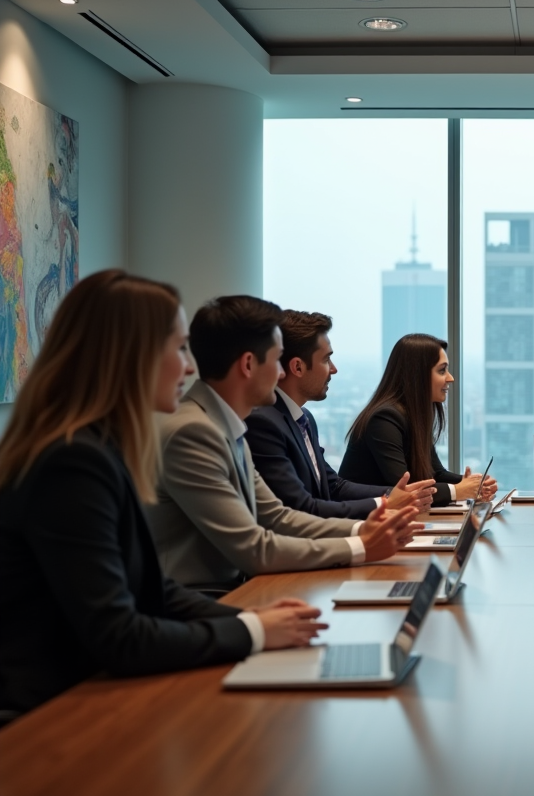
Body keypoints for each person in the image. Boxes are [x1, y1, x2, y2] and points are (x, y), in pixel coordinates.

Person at [0, 271, 327, 716]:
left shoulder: (98, 448)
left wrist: (254, 622)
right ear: (129, 357)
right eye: (177, 348)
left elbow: (153, 588)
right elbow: (121, 636)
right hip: (50, 719)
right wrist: (254, 632)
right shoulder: (71, 463)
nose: (190, 366)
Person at [147, 296, 418, 590]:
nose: (281, 373)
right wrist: (361, 546)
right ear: (249, 364)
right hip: (203, 602)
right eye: (277, 360)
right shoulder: (194, 432)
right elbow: (254, 548)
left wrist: (364, 529)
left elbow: (277, 517)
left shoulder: (225, 425)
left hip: (235, 591)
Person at [244, 310, 436, 519]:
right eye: (326, 360)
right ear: (298, 367)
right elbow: (301, 508)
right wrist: (385, 503)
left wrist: (395, 495)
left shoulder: (304, 417)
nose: (333, 370)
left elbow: (333, 486)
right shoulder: (264, 422)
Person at [340, 333, 496, 506]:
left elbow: (436, 473)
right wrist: (458, 490)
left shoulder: (414, 416)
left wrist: (474, 484)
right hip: (362, 522)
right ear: (417, 375)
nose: (450, 378)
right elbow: (406, 490)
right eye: (442, 370)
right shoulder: (383, 419)